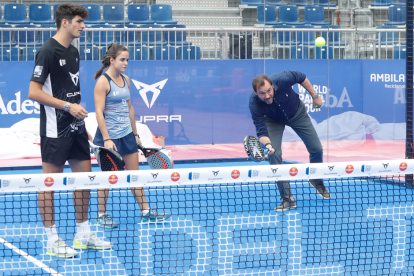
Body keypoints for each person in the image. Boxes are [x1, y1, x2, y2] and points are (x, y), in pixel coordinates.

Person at [28, 4, 112, 258]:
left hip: (76, 129)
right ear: (64, 22)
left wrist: (81, 122)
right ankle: (52, 239)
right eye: (78, 21)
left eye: (83, 22)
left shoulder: (74, 51)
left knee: (85, 181)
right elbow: (34, 92)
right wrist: (67, 107)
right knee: (48, 185)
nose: (83, 26)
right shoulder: (47, 51)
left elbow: (70, 90)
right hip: (55, 131)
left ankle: (83, 234)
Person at [93, 43, 171, 228]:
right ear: (112, 60)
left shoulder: (126, 80)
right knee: (107, 177)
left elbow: (130, 108)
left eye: (127, 59)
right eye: (122, 59)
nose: (126, 63)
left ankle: (145, 212)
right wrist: (107, 139)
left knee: (134, 174)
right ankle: (102, 215)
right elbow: (98, 112)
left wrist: (135, 134)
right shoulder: (103, 82)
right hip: (108, 137)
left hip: (127, 134)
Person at [249, 71, 331, 212]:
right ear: (255, 92)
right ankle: (287, 199)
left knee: (317, 148)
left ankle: (316, 180)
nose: (267, 95)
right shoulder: (254, 103)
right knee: (273, 155)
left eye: (269, 90)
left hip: (297, 114)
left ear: (273, 85)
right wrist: (268, 145)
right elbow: (262, 131)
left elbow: (301, 77)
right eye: (262, 93)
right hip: (273, 120)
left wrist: (315, 96)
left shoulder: (283, 79)